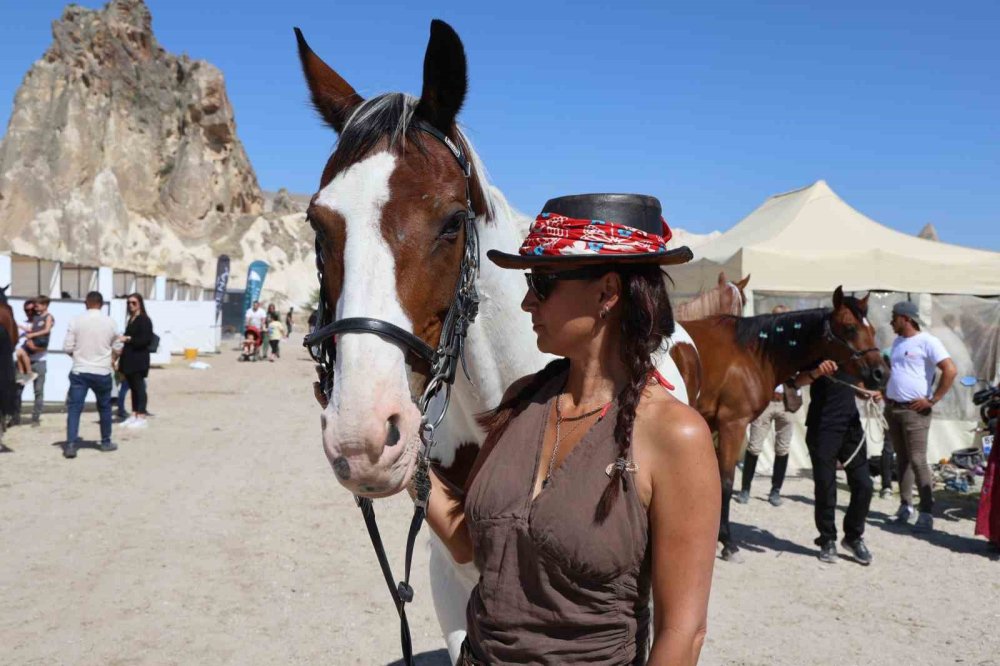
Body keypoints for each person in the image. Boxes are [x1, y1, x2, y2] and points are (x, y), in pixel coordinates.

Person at [419, 194, 720, 664]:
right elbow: (471, 546)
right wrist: (406, 465)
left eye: (542, 283)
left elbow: (683, 632)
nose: (526, 302)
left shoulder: (674, 435)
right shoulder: (523, 402)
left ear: (606, 292)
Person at [884, 300, 957, 532]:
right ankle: (906, 506)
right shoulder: (897, 342)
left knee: (917, 459)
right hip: (893, 408)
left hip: (916, 411)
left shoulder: (928, 341)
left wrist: (933, 399)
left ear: (906, 318)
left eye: (894, 317)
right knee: (902, 459)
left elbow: (950, 369)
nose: (891, 321)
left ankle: (926, 511)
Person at [797, 358, 879, 565]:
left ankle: (852, 537)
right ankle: (827, 539)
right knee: (826, 486)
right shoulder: (817, 352)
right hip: (823, 428)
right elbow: (797, 381)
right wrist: (817, 372)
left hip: (851, 427)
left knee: (864, 485)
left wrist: (869, 394)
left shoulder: (850, 356)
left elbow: (857, 387)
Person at [736, 304, 799, 507]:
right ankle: (745, 489)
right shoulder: (763, 342)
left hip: (786, 403)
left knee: (783, 448)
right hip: (764, 401)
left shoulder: (794, 343)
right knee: (754, 446)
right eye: (777, 318)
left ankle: (775, 491)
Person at [62, 291, 120, 458]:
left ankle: (71, 444)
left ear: (86, 303)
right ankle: (106, 441)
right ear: (101, 304)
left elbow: (67, 347)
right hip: (102, 370)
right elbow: (117, 347)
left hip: (80, 370)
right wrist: (112, 359)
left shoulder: (76, 321)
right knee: (105, 407)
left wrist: (78, 358)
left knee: (74, 408)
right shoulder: (111, 322)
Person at [119, 293, 155, 429]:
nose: (130, 305)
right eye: (128, 303)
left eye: (133, 302)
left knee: (139, 387)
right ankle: (134, 414)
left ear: (140, 303)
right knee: (133, 387)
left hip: (139, 359)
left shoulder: (144, 320)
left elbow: (145, 340)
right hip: (129, 358)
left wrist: (128, 339)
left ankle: (141, 415)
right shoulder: (131, 319)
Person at [18, 295, 53, 426]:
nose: (31, 312)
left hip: (39, 361)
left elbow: (45, 339)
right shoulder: (28, 322)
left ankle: (35, 418)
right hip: (24, 361)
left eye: (33, 309)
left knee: (38, 391)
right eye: (27, 310)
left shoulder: (43, 319)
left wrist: (35, 344)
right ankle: (15, 416)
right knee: (18, 390)